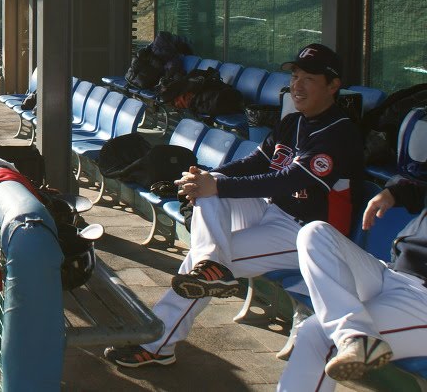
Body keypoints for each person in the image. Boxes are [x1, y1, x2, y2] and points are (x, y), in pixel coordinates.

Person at [104, 43, 362, 368]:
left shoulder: (340, 132)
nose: (297, 84)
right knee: (208, 200)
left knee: (200, 261)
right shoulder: (294, 122)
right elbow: (259, 161)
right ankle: (211, 267)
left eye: (309, 78)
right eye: (296, 75)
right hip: (274, 214)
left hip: (310, 237)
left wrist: (218, 183)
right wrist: (210, 176)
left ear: (333, 85)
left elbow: (290, 180)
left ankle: (160, 340)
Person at [278, 174, 427, 387]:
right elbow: (418, 182)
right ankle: (355, 335)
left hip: (421, 300)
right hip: (393, 273)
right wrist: (394, 192)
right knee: (315, 232)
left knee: (318, 333)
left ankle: (354, 335)